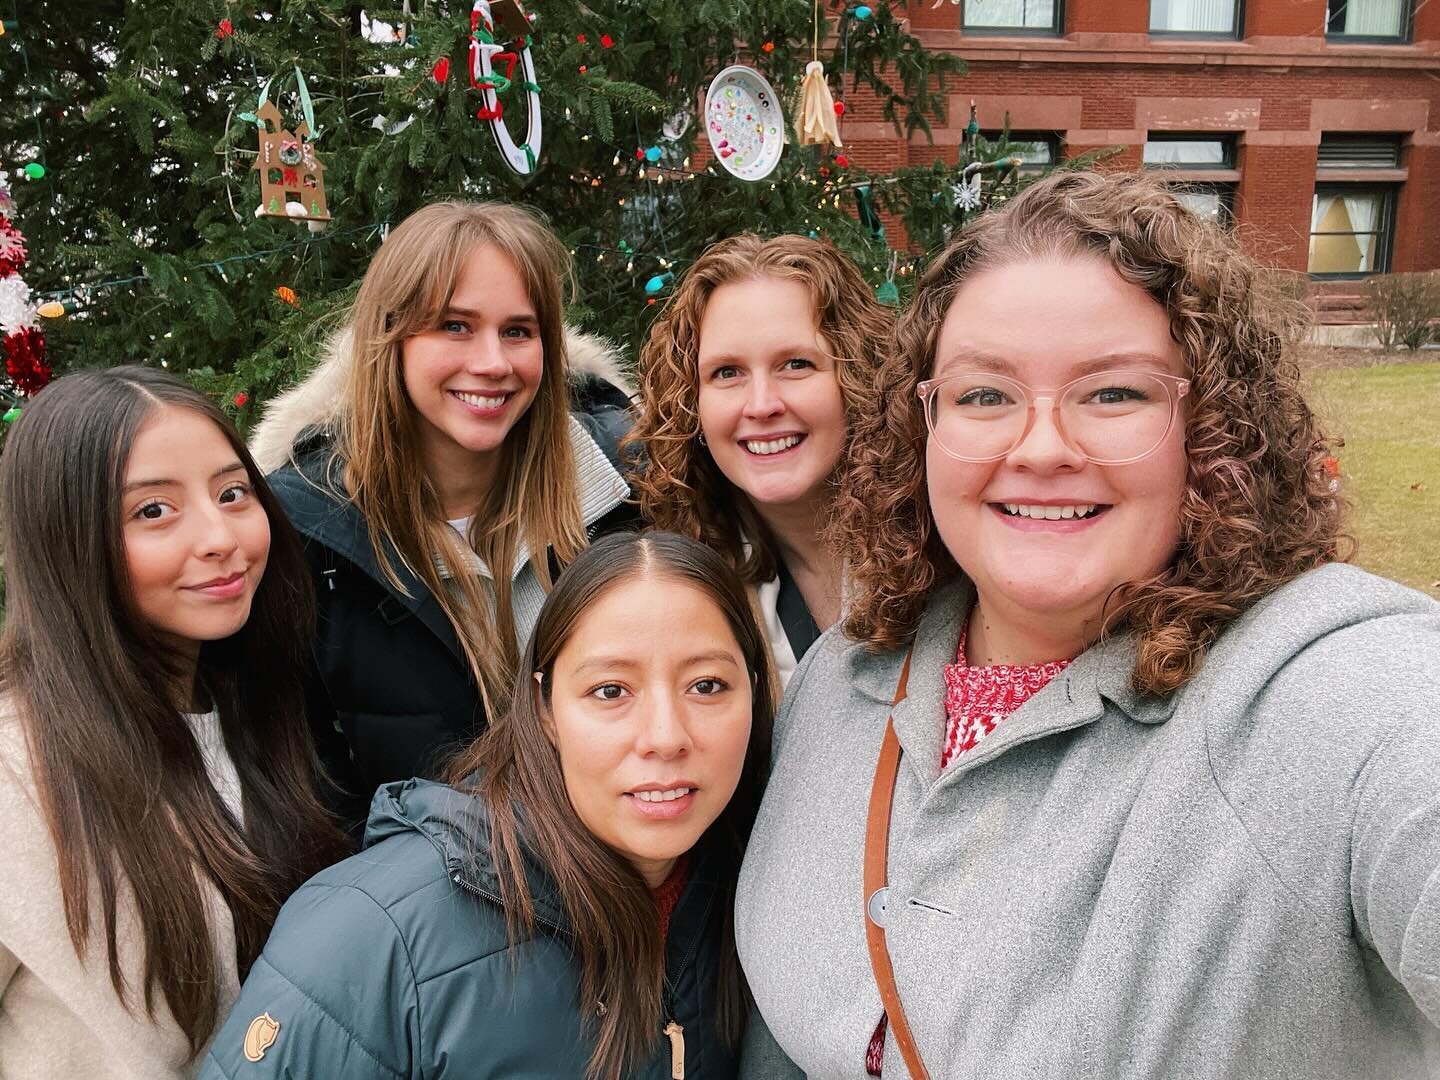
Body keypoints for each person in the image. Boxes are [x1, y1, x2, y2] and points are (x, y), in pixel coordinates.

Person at [736, 171, 1440, 1079]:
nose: (1040, 449)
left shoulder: (1324, 692)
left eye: (1113, 394)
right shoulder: (850, 670)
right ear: (924, 426)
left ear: (1216, 427)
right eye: (985, 395)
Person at [200, 531, 773, 1079]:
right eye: (610, 692)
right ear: (545, 709)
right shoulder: (375, 935)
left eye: (706, 686)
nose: (666, 736)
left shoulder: (756, 894)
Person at [0, 367, 350, 1079]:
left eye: (232, 493)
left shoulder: (252, 703)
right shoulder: (16, 763)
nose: (221, 535)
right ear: (65, 540)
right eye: (153, 511)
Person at [247, 201, 639, 825]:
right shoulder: (306, 531)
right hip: (429, 903)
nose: (492, 363)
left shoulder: (632, 489)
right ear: (391, 336)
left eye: (518, 330)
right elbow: (311, 790)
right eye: (455, 326)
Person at [629, 234, 891, 686]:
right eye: (727, 373)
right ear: (691, 403)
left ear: (859, 377)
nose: (761, 405)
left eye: (795, 364)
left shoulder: (948, 560)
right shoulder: (686, 590)